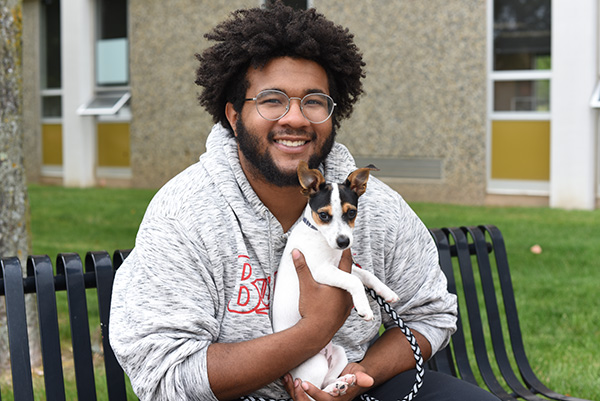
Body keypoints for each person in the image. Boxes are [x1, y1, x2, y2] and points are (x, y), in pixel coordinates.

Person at [109, 2, 501, 401]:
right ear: (232, 115)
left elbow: (431, 314)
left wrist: (355, 376)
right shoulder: (185, 213)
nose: (295, 118)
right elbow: (167, 376)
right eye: (272, 100)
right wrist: (314, 331)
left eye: (313, 101)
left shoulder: (378, 208)